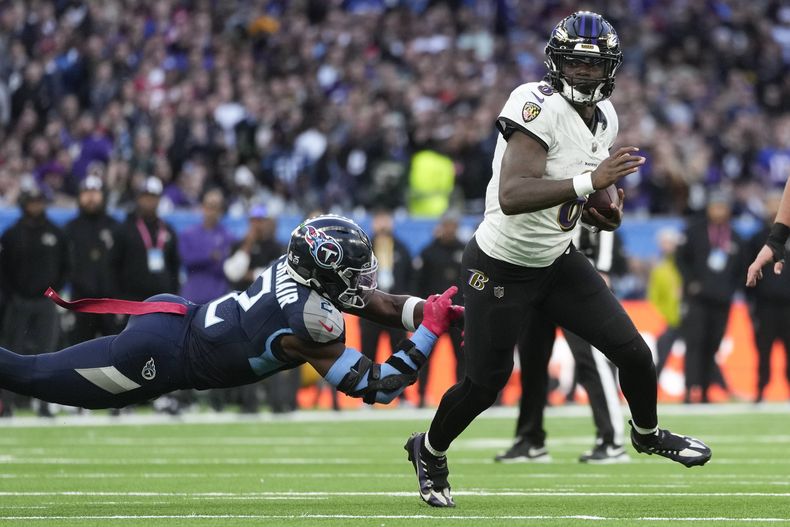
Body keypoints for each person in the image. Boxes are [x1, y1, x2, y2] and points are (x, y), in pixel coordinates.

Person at [404, 11, 711, 509]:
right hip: (499, 264)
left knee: (634, 353)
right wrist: (592, 185)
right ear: (556, 64)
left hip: (556, 260)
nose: (585, 75)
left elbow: (581, 195)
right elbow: (513, 193)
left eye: (594, 66)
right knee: (485, 384)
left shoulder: (605, 117)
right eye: (575, 64)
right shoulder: (533, 104)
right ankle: (430, 449)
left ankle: (646, 433)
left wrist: (601, 213)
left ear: (610, 69)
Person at [0, 215, 463, 421]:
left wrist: (430, 309)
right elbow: (378, 386)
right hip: (162, 355)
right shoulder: (309, 322)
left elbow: (372, 301)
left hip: (176, 317)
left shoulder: (298, 271)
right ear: (324, 271)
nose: (361, 284)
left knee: (38, 370)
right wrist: (428, 331)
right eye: (351, 274)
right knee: (32, 374)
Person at [496, 228, 629, 464]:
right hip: (535, 273)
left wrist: (603, 267)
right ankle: (530, 439)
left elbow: (604, 210)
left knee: (590, 357)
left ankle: (611, 440)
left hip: (573, 274)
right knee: (532, 359)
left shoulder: (576, 191)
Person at [0, 184, 69, 417]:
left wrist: (53, 292)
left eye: (39, 201)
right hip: (18, 302)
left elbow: (66, 267)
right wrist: (11, 295)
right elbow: (3, 269)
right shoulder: (11, 234)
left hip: (45, 303)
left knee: (47, 354)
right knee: (12, 352)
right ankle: (6, 404)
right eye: (31, 201)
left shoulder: (56, 233)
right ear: (23, 203)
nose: (35, 206)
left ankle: (44, 404)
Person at [676, 191, 745, 403]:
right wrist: (691, 283)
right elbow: (681, 259)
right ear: (708, 208)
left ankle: (705, 391)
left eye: (722, 207)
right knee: (694, 343)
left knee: (713, 345)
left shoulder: (736, 236)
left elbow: (741, 268)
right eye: (715, 206)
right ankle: (689, 391)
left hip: (722, 300)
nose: (718, 211)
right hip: (697, 299)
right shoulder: (694, 231)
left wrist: (732, 289)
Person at [358, 209, 413, 404]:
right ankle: (367, 396)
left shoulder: (402, 248)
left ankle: (403, 396)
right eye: (378, 220)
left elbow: (410, 278)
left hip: (395, 310)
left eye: (385, 220)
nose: (382, 225)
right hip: (369, 309)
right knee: (368, 355)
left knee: (400, 353)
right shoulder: (363, 249)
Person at [413, 213, 465, 405]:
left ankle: (462, 397)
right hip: (434, 315)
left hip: (458, 314)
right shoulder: (428, 252)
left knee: (462, 357)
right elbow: (418, 284)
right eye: (447, 225)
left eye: (453, 225)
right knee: (425, 356)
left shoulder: (464, 250)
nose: (450, 229)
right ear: (441, 226)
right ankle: (420, 396)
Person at [64, 175, 122, 344]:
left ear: (103, 195)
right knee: (78, 352)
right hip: (80, 302)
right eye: (86, 192)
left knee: (114, 352)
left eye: (95, 192)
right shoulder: (70, 229)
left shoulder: (116, 227)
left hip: (111, 303)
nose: (91, 197)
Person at [745, 191, 790, 403]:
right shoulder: (757, 237)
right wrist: (752, 301)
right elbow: (745, 271)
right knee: (763, 352)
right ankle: (761, 390)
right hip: (766, 306)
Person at [647, 227, 684, 377]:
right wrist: (663, 317)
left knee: (701, 353)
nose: (666, 246)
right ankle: (652, 386)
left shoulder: (683, 266)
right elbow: (654, 298)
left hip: (687, 317)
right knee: (661, 355)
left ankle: (722, 387)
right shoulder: (659, 270)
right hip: (671, 320)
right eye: (664, 243)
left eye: (668, 242)